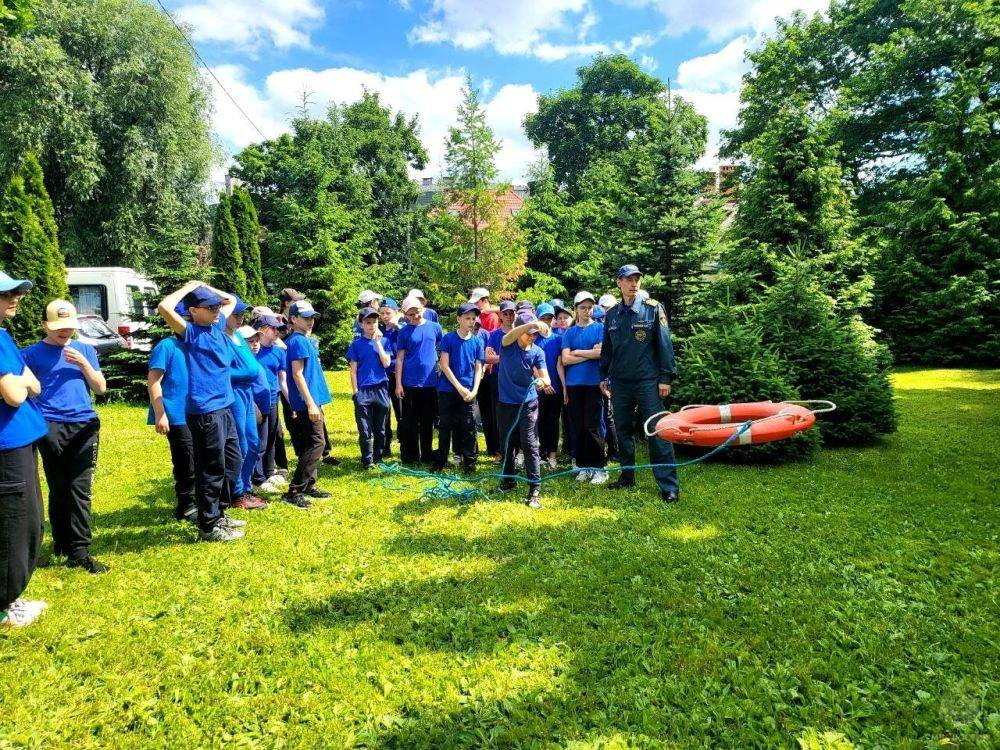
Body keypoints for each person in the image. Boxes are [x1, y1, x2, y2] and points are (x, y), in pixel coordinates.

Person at [23, 299, 108, 573]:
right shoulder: (31, 355)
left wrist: (84, 363)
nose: (65, 332)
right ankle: (61, 542)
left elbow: (101, 389)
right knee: (58, 486)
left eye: (70, 326)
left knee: (79, 489)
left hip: (84, 426)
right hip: (50, 426)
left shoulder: (85, 349)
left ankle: (80, 551)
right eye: (59, 327)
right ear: (44, 325)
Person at [158, 281, 246, 543]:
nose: (217, 309)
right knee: (211, 468)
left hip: (224, 406)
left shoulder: (217, 325)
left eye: (216, 306)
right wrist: (188, 288)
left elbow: (230, 299)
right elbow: (164, 307)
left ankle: (217, 513)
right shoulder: (191, 332)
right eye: (209, 307)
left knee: (233, 461)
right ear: (194, 311)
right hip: (205, 411)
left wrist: (206, 287)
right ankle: (208, 526)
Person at [600, 264, 680, 503]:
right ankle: (627, 476)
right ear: (619, 283)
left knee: (657, 431)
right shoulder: (612, 314)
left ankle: (668, 486)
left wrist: (665, 378)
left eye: (637, 279)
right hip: (620, 383)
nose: (634, 283)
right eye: (629, 279)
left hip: (648, 382)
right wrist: (604, 376)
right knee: (623, 431)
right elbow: (607, 349)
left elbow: (665, 345)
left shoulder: (653, 309)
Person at [0, 272, 49, 627]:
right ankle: (4, 606)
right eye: (6, 294)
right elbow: (18, 392)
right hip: (7, 446)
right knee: (15, 524)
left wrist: (21, 380)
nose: (15, 297)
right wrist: (20, 381)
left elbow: (35, 383)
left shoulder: (4, 336)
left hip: (18, 441)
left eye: (16, 292)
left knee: (25, 519)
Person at [496, 312, 551, 509]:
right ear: (519, 331)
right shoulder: (508, 346)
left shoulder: (537, 352)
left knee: (529, 444)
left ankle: (535, 488)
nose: (532, 335)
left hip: (528, 404)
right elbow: (507, 336)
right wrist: (532, 323)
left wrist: (542, 381)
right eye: (529, 332)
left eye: (535, 333)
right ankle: (509, 480)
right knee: (507, 443)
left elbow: (547, 378)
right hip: (505, 403)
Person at [147, 309, 195, 522]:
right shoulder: (166, 346)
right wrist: (160, 414)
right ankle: (186, 506)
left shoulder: (196, 344)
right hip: (175, 414)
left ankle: (199, 500)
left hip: (197, 412)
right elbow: (154, 381)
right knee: (186, 461)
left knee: (199, 458)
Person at [284, 300, 332, 506]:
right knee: (317, 443)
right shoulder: (298, 341)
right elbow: (297, 374)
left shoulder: (303, 339)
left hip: (310, 401)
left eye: (312, 318)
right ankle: (295, 490)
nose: (310, 321)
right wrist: (311, 404)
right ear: (293, 319)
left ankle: (309, 484)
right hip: (307, 403)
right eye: (305, 318)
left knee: (308, 443)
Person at [225, 302, 269, 510]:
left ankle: (247, 486)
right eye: (235, 313)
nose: (240, 316)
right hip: (233, 394)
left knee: (253, 442)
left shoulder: (239, 337)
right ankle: (237, 492)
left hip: (247, 393)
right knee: (240, 444)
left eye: (242, 313)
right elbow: (220, 370)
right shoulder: (222, 338)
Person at [562, 292, 608, 485]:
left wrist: (578, 352)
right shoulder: (569, 333)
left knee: (593, 425)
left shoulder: (600, 328)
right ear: (576, 309)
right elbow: (565, 359)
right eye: (583, 307)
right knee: (578, 426)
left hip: (593, 384)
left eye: (590, 307)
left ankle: (599, 467)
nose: (587, 311)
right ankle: (582, 466)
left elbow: (602, 353)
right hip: (574, 384)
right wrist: (591, 353)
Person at [433, 302, 485, 473]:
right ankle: (440, 461)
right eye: (467, 318)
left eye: (473, 318)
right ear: (459, 319)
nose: (471, 322)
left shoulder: (477, 341)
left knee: (469, 427)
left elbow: (478, 367)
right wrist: (459, 388)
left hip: (469, 392)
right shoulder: (448, 339)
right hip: (448, 390)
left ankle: (469, 463)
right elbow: (444, 365)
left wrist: (474, 390)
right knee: (446, 426)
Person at [395, 296, 442, 465]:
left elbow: (440, 349)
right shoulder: (404, 332)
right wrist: (399, 383)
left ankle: (427, 454)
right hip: (410, 382)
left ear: (423, 309)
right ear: (405, 314)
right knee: (410, 421)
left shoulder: (435, 327)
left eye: (417, 312)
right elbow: (399, 359)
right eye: (411, 314)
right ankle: (411, 456)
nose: (415, 316)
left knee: (428, 421)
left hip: (430, 382)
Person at [346, 308, 392, 469]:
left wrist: (378, 342)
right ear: (361, 324)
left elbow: (386, 363)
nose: (372, 325)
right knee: (365, 429)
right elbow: (353, 370)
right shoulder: (356, 345)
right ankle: (367, 460)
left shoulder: (384, 341)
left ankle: (378, 457)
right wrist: (355, 392)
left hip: (380, 388)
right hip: (363, 390)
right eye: (368, 322)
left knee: (380, 428)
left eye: (374, 322)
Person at [250, 314, 289, 494]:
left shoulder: (279, 352)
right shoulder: (253, 351)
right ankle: (257, 478)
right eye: (274, 329)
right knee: (258, 440)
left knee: (272, 437)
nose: (277, 333)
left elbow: (283, 381)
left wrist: (291, 403)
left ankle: (269, 471)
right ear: (263, 330)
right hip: (254, 402)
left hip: (273, 399)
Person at [483, 300, 515, 461]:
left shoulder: (520, 333)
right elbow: (488, 358)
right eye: (506, 314)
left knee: (517, 414)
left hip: (516, 379)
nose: (509, 317)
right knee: (499, 414)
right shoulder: (494, 335)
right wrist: (508, 358)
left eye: (512, 313)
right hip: (498, 378)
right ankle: (501, 451)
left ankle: (518, 451)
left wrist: (499, 358)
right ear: (500, 315)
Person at [535, 303, 565, 471]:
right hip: (538, 387)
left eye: (549, 318)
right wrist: (543, 382)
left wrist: (564, 388)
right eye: (543, 318)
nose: (546, 321)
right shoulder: (533, 338)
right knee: (539, 422)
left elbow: (560, 364)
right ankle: (542, 453)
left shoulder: (558, 339)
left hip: (556, 387)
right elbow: (531, 364)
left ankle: (553, 455)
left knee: (553, 421)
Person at [378, 299, 403, 456]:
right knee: (383, 411)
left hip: (398, 374)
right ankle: (385, 445)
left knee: (401, 411)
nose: (385, 316)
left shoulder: (401, 329)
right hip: (382, 376)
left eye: (388, 313)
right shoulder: (378, 330)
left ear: (395, 312)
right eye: (382, 313)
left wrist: (398, 323)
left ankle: (404, 443)